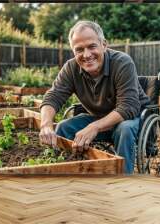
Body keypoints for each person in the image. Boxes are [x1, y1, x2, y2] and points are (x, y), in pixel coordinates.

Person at [39, 20, 150, 174]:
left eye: (92, 46)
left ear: (103, 44)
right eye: (79, 50)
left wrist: (94, 127)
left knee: (124, 129)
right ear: (73, 51)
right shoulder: (71, 68)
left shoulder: (122, 62)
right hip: (98, 117)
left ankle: (124, 179)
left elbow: (128, 106)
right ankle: (66, 172)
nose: (86, 55)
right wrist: (46, 124)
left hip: (131, 118)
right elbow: (53, 97)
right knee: (63, 127)